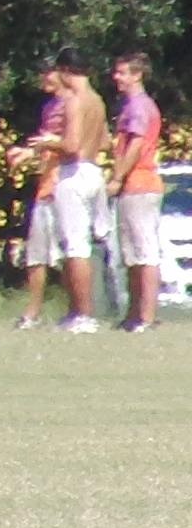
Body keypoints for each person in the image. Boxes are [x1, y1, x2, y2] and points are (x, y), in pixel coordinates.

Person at [15, 50, 109, 333]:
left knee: (75, 247)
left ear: (66, 70)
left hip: (74, 172)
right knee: (83, 243)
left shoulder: (75, 101)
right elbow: (104, 141)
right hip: (93, 170)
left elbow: (71, 145)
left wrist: (47, 142)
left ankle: (84, 315)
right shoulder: (97, 100)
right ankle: (79, 313)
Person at [111, 51, 164, 332]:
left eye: (122, 73)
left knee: (145, 252)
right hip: (132, 186)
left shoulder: (140, 107)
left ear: (137, 75)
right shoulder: (130, 106)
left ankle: (147, 316)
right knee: (130, 253)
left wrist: (117, 177)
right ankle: (133, 314)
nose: (116, 78)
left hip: (141, 183)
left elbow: (135, 146)